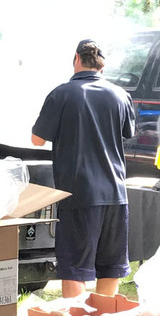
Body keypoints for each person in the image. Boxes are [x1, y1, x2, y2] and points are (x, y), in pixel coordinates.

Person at [32, 39, 136, 298]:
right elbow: (128, 133)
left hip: (79, 194)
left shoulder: (62, 93)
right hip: (116, 193)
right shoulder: (121, 95)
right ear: (102, 64)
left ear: (76, 58)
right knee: (110, 266)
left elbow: (37, 139)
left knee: (75, 267)